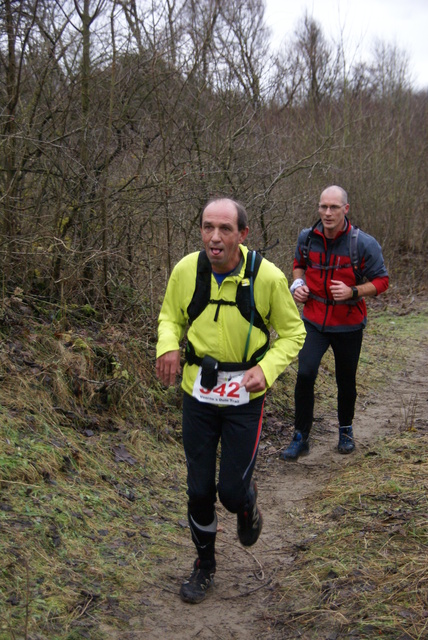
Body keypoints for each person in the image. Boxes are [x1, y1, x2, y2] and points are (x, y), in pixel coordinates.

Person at [156, 197, 306, 604]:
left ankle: (247, 503)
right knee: (199, 489)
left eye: (225, 229)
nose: (215, 237)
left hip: (245, 395)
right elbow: (171, 317)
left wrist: (268, 369)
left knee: (231, 493)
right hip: (198, 392)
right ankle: (204, 566)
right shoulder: (187, 270)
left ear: (243, 234)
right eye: (208, 227)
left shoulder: (268, 278)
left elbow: (294, 334)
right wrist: (168, 346)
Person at [280, 185, 389, 462]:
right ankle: (301, 437)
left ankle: (345, 430)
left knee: (345, 380)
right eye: (323, 207)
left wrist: (354, 292)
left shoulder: (362, 243)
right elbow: (298, 264)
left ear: (346, 210)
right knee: (305, 374)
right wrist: (298, 283)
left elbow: (381, 282)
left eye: (334, 208)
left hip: (348, 323)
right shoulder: (307, 237)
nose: (327, 213)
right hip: (314, 319)